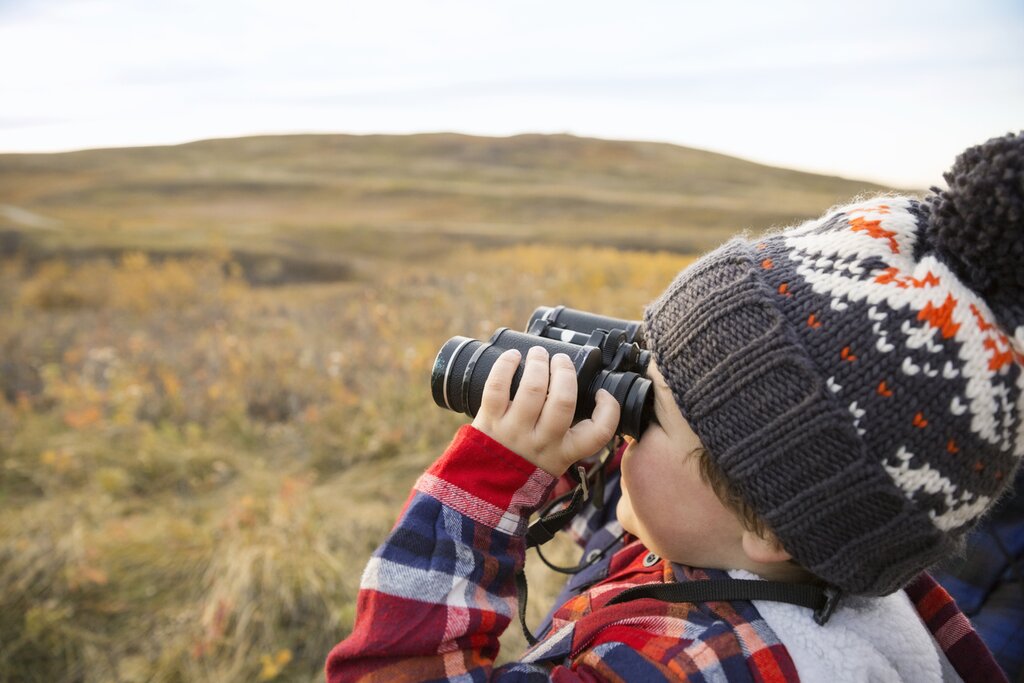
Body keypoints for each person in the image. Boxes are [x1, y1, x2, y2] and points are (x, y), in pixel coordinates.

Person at [325, 132, 1023, 682]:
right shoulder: (792, 563)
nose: (628, 425)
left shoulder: (695, 663)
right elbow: (673, 514)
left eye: (650, 412)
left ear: (771, 524)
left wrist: (484, 487)